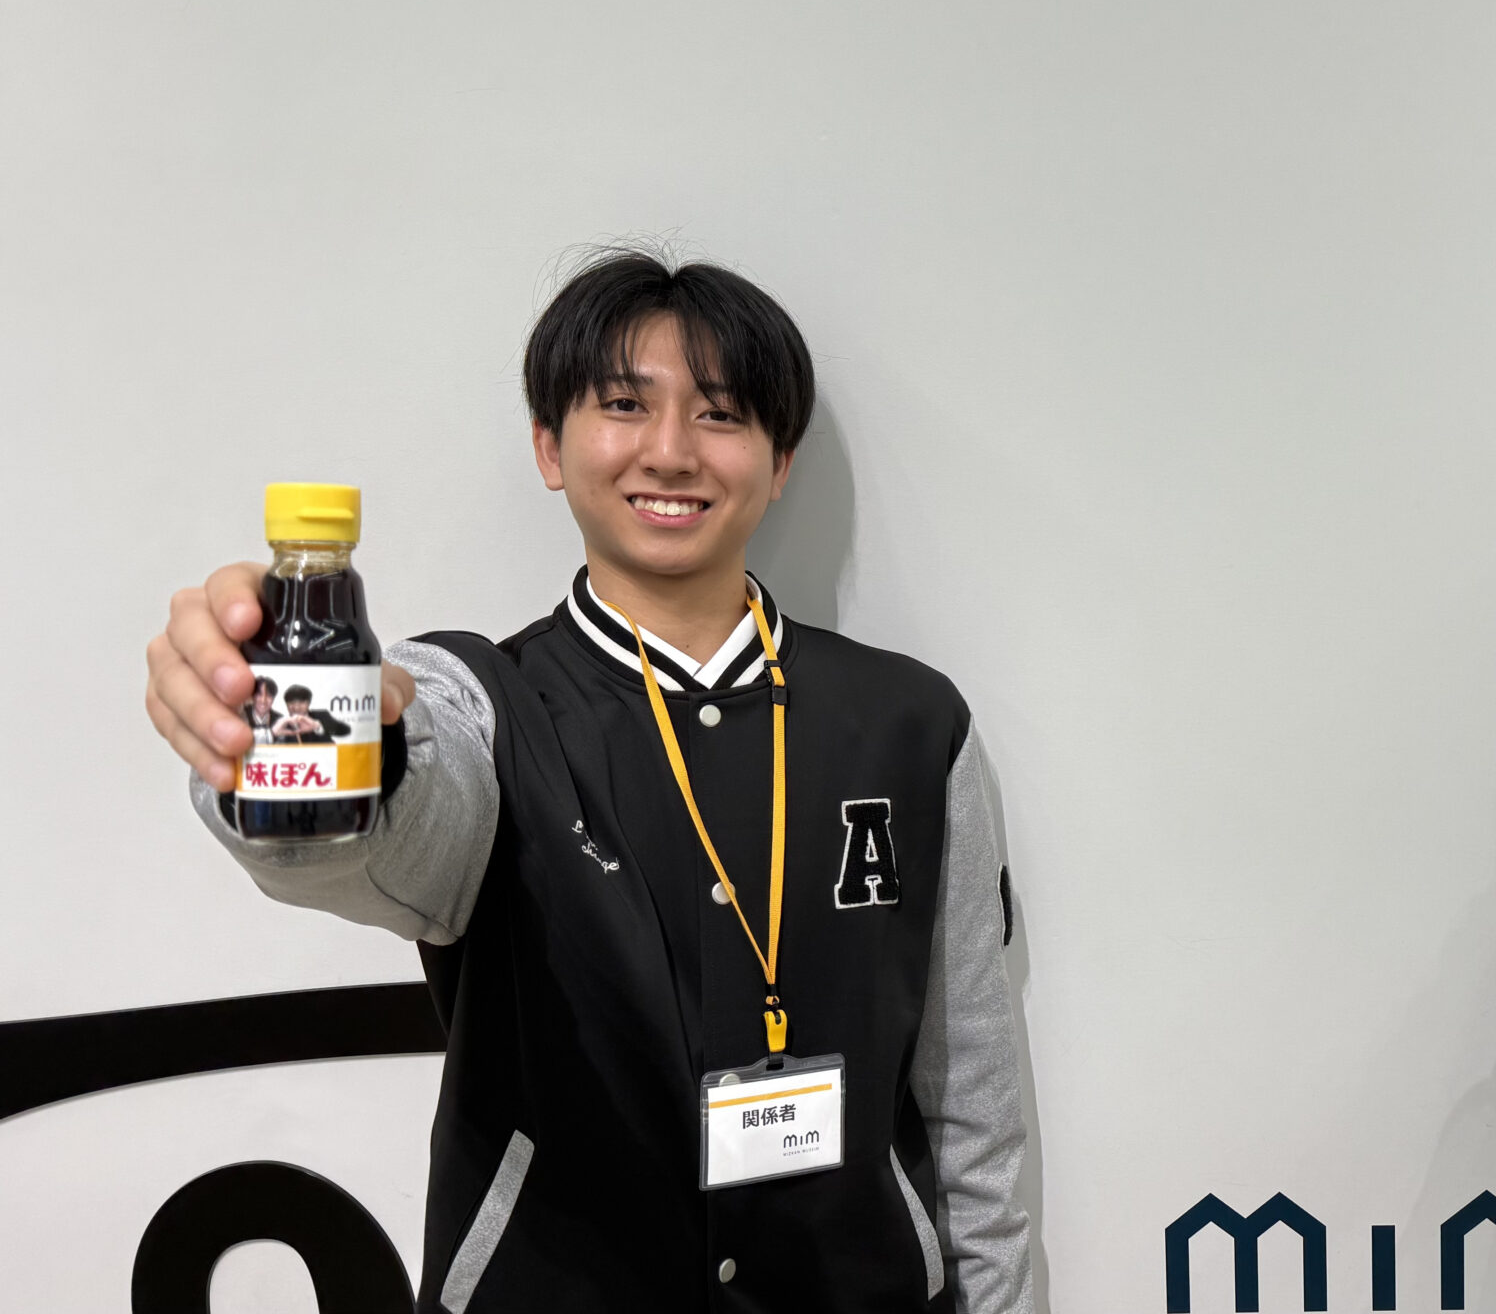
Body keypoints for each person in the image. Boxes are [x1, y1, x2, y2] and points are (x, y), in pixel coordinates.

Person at [143, 250, 1032, 1313]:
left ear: (780, 459)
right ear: (548, 446)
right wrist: (277, 736)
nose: (671, 451)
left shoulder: (910, 723)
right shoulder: (483, 701)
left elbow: (972, 1103)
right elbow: (377, 836)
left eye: (721, 414)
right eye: (623, 404)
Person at [269, 683, 351, 743]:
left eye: (301, 703)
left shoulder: (321, 716)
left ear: (309, 703)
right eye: (292, 703)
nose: (296, 707)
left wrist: (318, 727)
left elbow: (346, 730)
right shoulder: (280, 723)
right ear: (286, 704)